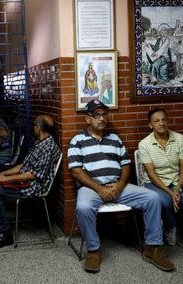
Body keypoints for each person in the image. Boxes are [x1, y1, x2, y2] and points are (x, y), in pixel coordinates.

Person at [67, 99, 174, 273]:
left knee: (152, 198)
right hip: (92, 188)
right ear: (88, 119)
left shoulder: (115, 139)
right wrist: (100, 189)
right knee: (83, 206)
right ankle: (93, 250)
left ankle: (152, 248)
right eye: (96, 115)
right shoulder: (77, 140)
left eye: (104, 114)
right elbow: (76, 171)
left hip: (118, 185)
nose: (102, 119)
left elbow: (125, 165)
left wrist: (120, 185)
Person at [0, 115, 61, 249]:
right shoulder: (40, 142)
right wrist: (3, 174)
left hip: (33, 186)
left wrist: (6, 179)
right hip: (27, 180)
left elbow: (33, 175)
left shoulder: (48, 148)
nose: (33, 127)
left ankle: (5, 234)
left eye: (34, 124)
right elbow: (25, 165)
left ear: (39, 127)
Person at [138, 108, 183, 245]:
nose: (161, 123)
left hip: (178, 181)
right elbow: (151, 175)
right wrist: (170, 193)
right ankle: (170, 227)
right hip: (155, 183)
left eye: (164, 120)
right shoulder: (144, 144)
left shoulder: (179, 139)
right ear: (150, 125)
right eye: (157, 121)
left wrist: (177, 189)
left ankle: (171, 220)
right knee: (164, 202)